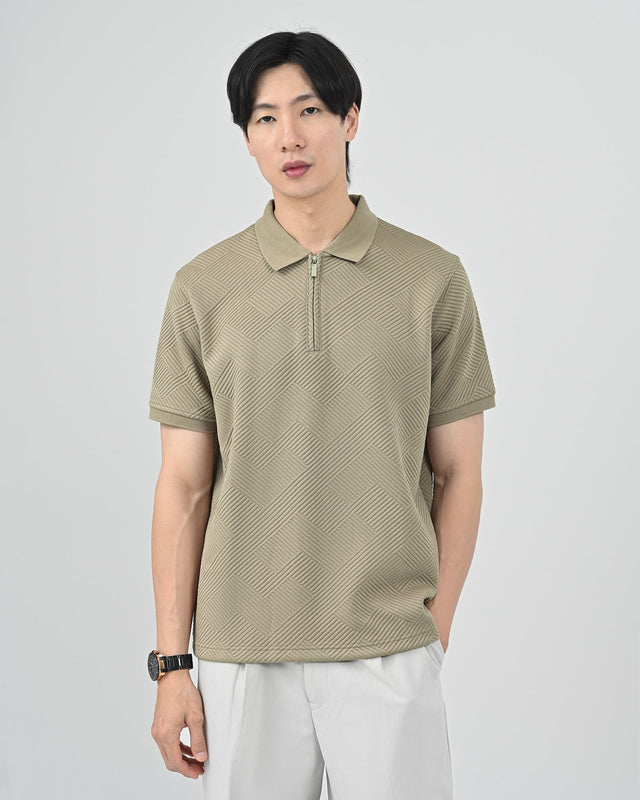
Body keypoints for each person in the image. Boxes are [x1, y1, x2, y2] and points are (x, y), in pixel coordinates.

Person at [147, 30, 496, 800]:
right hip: (241, 654)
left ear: (351, 118)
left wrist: (430, 633)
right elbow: (184, 486)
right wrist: (173, 667)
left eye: (309, 110)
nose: (290, 137)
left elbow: (459, 472)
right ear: (246, 138)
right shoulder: (202, 288)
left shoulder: (431, 279)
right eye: (265, 118)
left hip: (388, 647)